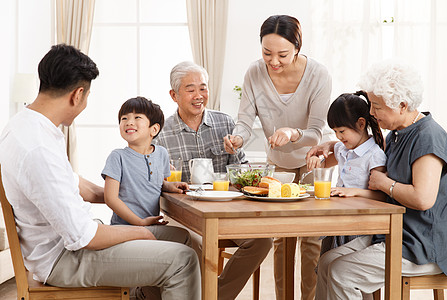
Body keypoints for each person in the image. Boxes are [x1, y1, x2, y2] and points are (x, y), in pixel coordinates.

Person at [0, 44, 200, 300]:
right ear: (77, 94)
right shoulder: (37, 148)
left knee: (180, 238)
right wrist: (139, 230)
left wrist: (116, 191)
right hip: (64, 258)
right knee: (183, 260)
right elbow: (84, 237)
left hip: (70, 242)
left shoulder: (28, 125)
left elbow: (73, 184)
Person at [309, 61, 447, 299]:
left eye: (376, 106)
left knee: (341, 273)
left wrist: (385, 184)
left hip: (422, 246)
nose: (371, 112)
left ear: (402, 105)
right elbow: (363, 146)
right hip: (393, 234)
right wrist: (331, 145)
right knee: (326, 263)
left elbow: (423, 199)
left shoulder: (428, 137)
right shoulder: (396, 134)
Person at [224, 15, 333, 300]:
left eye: (282, 54)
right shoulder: (254, 73)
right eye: (266, 53)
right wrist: (238, 138)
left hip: (310, 163)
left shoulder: (318, 75)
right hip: (278, 169)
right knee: (281, 241)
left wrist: (293, 133)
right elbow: (245, 122)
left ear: (297, 47)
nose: (274, 61)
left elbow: (316, 133)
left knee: (311, 242)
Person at [155, 61, 272, 300]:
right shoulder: (161, 133)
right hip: (183, 215)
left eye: (203, 88)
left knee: (262, 241)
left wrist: (234, 157)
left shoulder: (225, 123)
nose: (199, 96)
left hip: (225, 212)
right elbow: (152, 182)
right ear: (174, 95)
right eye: (191, 89)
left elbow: (244, 172)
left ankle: (215, 295)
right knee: (195, 243)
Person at [306, 91, 387, 255]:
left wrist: (352, 192)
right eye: (335, 132)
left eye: (342, 131)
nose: (338, 136)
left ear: (361, 124)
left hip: (358, 225)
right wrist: (317, 161)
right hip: (338, 219)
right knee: (324, 263)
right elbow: (322, 166)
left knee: (337, 265)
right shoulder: (343, 149)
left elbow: (381, 196)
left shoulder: (374, 155)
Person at [102, 96, 188, 226]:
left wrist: (169, 186)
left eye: (137, 117)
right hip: (124, 228)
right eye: (124, 118)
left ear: (154, 129)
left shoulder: (161, 154)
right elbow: (110, 199)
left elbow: (157, 183)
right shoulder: (117, 157)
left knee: (184, 236)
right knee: (185, 239)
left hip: (149, 226)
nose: (129, 122)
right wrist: (140, 222)